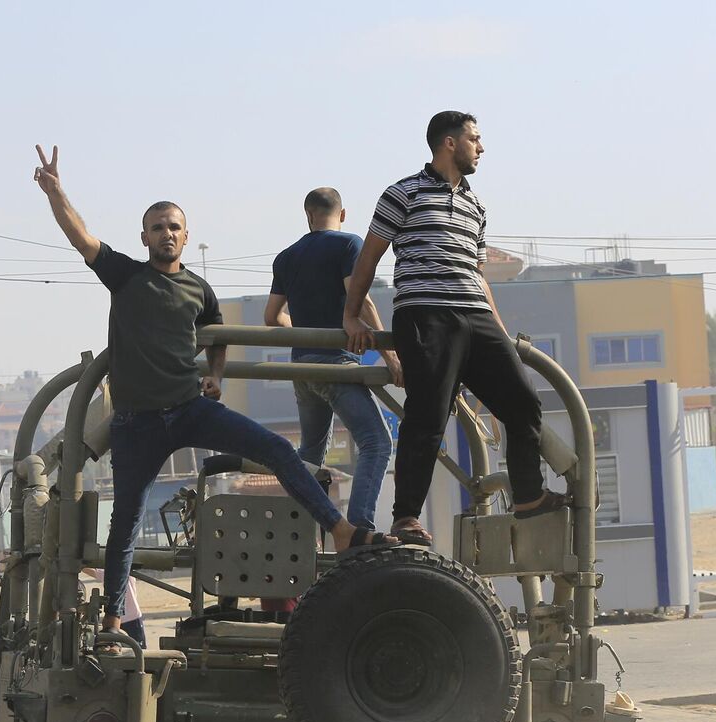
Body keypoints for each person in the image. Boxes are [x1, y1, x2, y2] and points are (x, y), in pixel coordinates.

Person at [32, 144, 396, 637]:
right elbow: (81, 237)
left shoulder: (199, 289)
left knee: (276, 450)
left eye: (174, 227)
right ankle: (116, 623)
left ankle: (341, 529)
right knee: (124, 526)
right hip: (136, 424)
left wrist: (217, 376)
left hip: (189, 409)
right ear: (144, 237)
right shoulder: (126, 276)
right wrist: (57, 193)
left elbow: (218, 334)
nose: (167, 233)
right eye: (158, 227)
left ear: (186, 236)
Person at [343, 111, 564, 546]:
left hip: (476, 319)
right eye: (475, 139)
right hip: (426, 315)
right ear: (449, 143)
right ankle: (406, 516)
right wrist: (351, 315)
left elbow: (478, 275)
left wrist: (500, 333)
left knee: (523, 401)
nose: (481, 148)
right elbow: (368, 259)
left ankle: (527, 494)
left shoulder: (475, 205)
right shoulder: (402, 193)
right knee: (428, 414)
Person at [267, 187, 395, 530]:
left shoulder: (286, 257)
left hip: (302, 367)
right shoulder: (348, 244)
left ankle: (300, 533)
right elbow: (362, 301)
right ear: (342, 214)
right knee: (377, 443)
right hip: (335, 365)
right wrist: (390, 354)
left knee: (309, 455)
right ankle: (359, 527)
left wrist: (303, 326)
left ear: (308, 215)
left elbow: (271, 317)